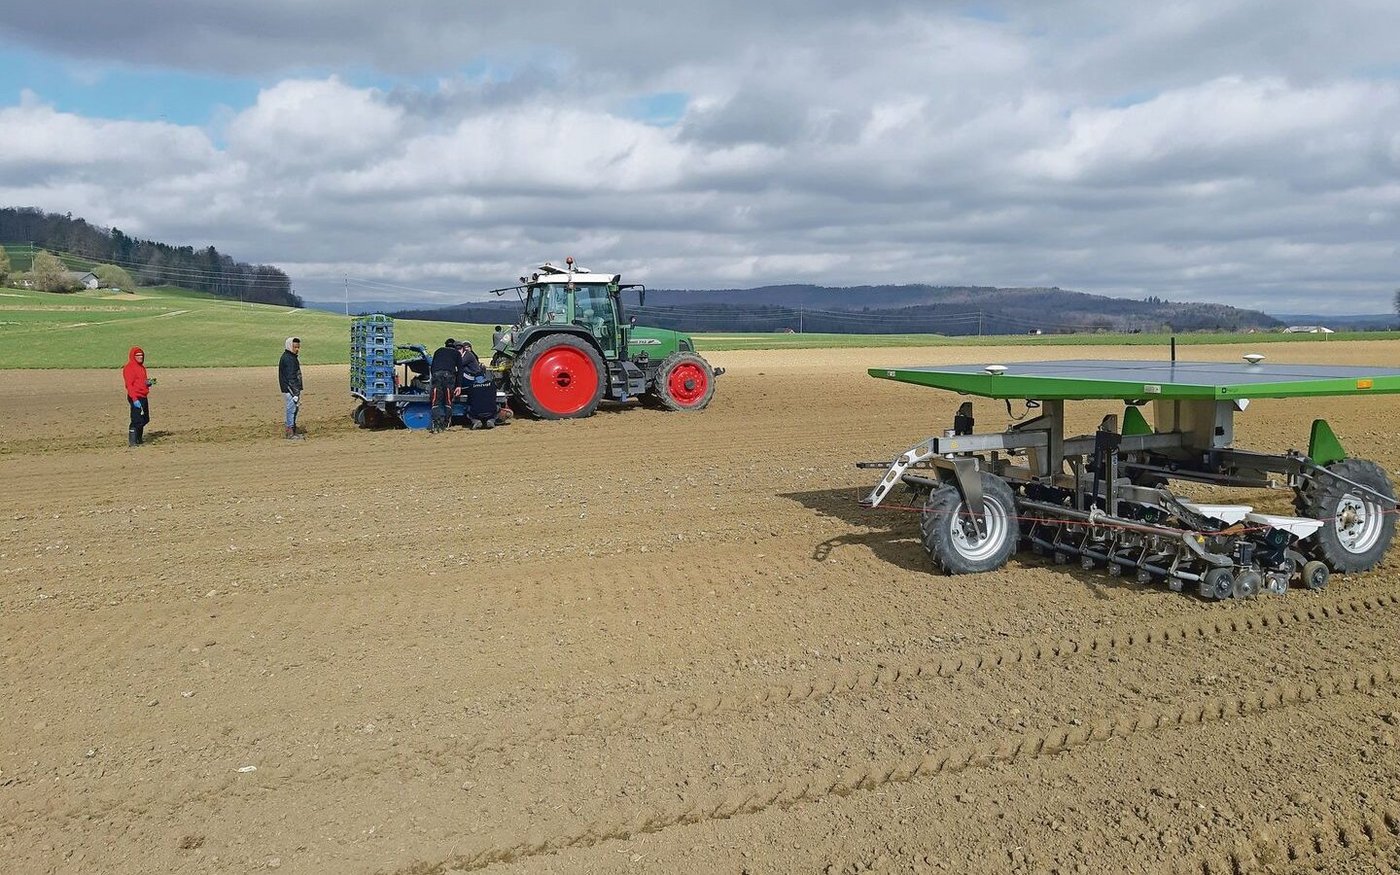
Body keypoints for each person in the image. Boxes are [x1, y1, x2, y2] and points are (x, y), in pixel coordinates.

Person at [122, 346, 154, 446]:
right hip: (135, 396)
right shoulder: (129, 368)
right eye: (138, 355)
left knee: (145, 419)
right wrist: (134, 399)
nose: (140, 357)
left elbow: (140, 381)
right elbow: (129, 385)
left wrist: (148, 382)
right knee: (136, 420)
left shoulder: (142, 368)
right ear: (133, 356)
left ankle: (139, 439)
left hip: (143, 396)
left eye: (141, 355)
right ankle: (133, 442)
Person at [428, 337, 460, 433]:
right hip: (449, 376)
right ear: (454, 346)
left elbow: (432, 367)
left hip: (437, 375)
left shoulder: (438, 351)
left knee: (435, 401)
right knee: (448, 401)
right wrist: (458, 385)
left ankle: (436, 425)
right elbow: (460, 370)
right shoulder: (456, 353)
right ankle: (446, 424)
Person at [279, 337, 304, 440]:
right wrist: (295, 393)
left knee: (293, 409)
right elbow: (291, 377)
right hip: (291, 389)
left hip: (291, 389)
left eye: (298, 347)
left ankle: (292, 429)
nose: (297, 349)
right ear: (289, 346)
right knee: (291, 409)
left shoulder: (291, 357)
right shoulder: (289, 359)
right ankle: (290, 432)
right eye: (295, 347)